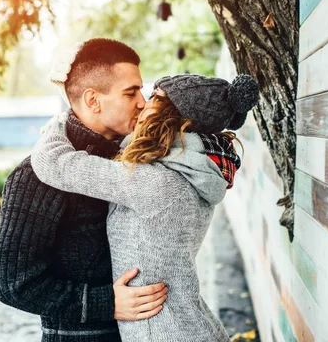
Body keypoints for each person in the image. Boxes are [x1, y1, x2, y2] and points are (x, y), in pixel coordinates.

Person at [31, 73, 259, 342]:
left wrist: (61, 120)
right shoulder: (194, 171)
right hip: (184, 329)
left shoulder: (154, 182)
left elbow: (54, 163)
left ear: (171, 114)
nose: (143, 104)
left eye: (154, 97)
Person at [0, 38, 168, 342]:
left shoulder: (134, 161)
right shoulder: (35, 176)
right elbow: (14, 285)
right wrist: (105, 303)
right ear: (93, 100)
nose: (142, 101)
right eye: (131, 92)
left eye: (142, 89)